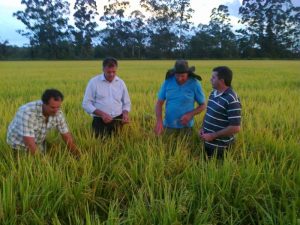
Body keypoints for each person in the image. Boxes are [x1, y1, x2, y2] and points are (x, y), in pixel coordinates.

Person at [7, 89, 80, 157]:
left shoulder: (58, 113)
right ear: (44, 104)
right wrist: (43, 163)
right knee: (26, 165)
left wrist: (77, 154)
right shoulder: (27, 112)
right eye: (53, 107)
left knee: (43, 156)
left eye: (58, 107)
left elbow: (66, 135)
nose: (56, 110)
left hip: (37, 142)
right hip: (19, 144)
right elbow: (28, 141)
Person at [82, 57, 131, 137]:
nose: (111, 74)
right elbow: (86, 104)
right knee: (100, 145)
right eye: (108, 72)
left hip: (117, 121)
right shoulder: (94, 82)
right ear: (103, 69)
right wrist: (102, 114)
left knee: (117, 143)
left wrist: (125, 114)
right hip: (100, 121)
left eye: (114, 72)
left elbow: (126, 102)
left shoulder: (121, 83)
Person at [154, 60, 206, 135]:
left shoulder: (194, 83)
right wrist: (159, 121)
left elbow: (203, 105)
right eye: (177, 75)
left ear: (188, 74)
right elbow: (159, 103)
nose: (179, 78)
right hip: (168, 125)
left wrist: (190, 114)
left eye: (183, 76)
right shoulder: (168, 81)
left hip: (187, 127)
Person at [200, 66, 241, 159]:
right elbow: (209, 113)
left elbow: (235, 128)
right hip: (207, 142)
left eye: (213, 77)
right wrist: (202, 128)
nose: (210, 79)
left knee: (218, 172)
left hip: (221, 148)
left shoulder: (231, 99)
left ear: (221, 81)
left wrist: (213, 135)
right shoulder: (213, 93)